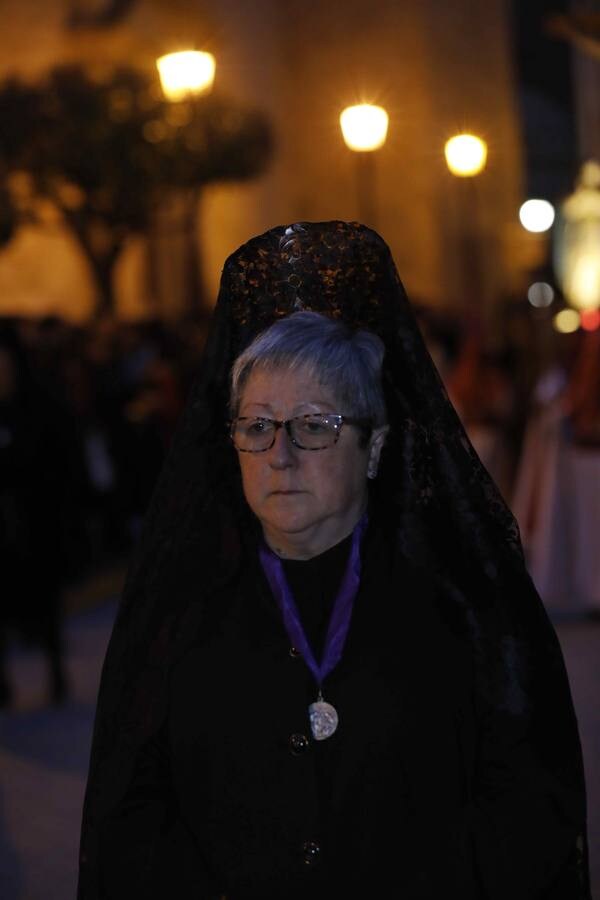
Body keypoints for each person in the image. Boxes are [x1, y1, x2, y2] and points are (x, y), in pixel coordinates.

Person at [78, 221, 591, 899]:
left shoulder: (463, 609)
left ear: (374, 446)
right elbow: (131, 825)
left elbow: (526, 811)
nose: (279, 454)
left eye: (315, 425)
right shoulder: (182, 616)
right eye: (257, 425)